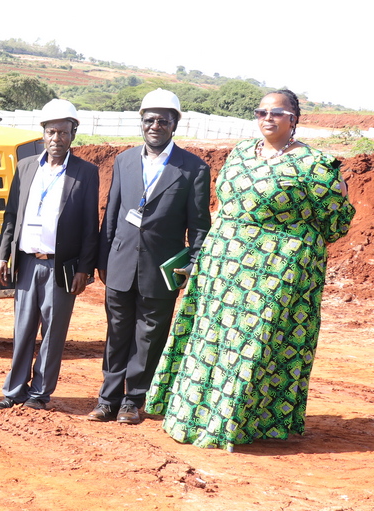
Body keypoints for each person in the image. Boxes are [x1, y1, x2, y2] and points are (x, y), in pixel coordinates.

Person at [145, 90, 354, 451]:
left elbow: (335, 223)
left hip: (276, 271)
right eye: (261, 112)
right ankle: (195, 416)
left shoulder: (315, 164)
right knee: (212, 340)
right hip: (223, 265)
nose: (267, 118)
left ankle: (239, 422)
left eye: (278, 112)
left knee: (254, 345)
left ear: (294, 118)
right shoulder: (241, 151)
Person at [87, 89, 211, 425]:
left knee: (149, 335)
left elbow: (199, 225)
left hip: (162, 269)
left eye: (163, 121)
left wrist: (192, 265)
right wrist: (103, 258)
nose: (155, 126)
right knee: (117, 333)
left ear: (175, 124)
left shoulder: (193, 169)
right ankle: (107, 399)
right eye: (150, 120)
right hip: (120, 263)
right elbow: (111, 213)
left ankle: (132, 400)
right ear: (141, 123)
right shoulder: (124, 160)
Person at [0, 99, 99, 411]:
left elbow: (91, 224)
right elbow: (11, 215)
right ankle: (14, 392)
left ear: (73, 134)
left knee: (53, 333)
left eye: (63, 133)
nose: (57, 138)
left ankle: (39, 394)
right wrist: (2, 256)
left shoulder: (86, 172)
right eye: (51, 132)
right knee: (22, 328)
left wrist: (84, 268)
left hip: (61, 266)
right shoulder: (25, 167)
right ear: (43, 134)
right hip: (26, 262)